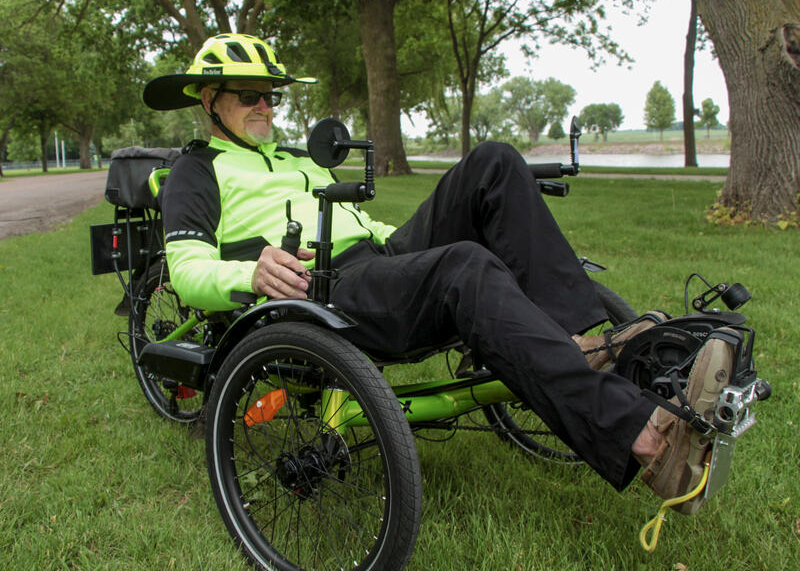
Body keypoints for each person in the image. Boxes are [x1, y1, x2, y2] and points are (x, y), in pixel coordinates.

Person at [143, 33, 735, 511]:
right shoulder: (198, 170)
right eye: (249, 95)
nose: (265, 105)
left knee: (496, 162)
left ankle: (589, 344)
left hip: (374, 259)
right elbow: (189, 271)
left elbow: (358, 224)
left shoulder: (299, 159)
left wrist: (395, 240)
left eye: (270, 93)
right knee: (465, 268)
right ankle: (646, 441)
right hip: (320, 286)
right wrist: (250, 272)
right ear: (209, 102)